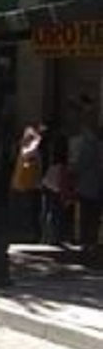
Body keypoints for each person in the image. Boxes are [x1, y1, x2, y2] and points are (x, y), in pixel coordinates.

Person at [72, 95, 101, 263]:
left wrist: (74, 170)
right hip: (95, 185)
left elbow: (82, 164)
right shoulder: (95, 144)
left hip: (88, 185)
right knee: (93, 215)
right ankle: (91, 242)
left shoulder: (88, 144)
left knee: (87, 214)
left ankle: (87, 242)